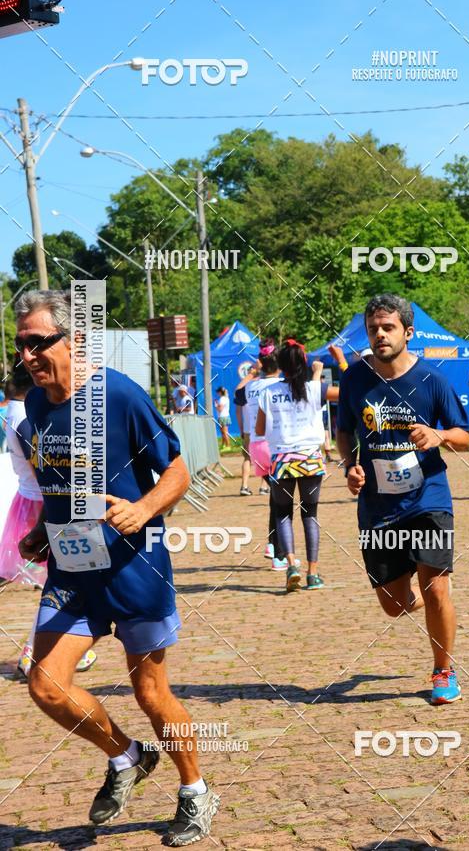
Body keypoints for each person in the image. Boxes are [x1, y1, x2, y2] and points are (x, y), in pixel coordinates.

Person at [15, 290, 219, 845]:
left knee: (150, 693)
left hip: (134, 567)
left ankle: (196, 791)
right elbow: (60, 483)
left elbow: (179, 467)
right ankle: (126, 755)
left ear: (73, 339)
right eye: (19, 346)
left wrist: (146, 507)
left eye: (37, 343)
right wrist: (40, 533)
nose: (27, 357)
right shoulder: (34, 407)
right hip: (70, 569)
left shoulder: (119, 394)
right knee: (45, 685)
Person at [336, 294, 469, 704]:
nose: (379, 335)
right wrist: (350, 465)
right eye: (373, 328)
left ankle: (443, 670)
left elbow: (465, 436)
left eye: (388, 327)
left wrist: (439, 436)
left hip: (428, 496)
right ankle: (424, 610)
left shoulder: (432, 380)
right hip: (378, 505)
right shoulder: (355, 379)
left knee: (436, 588)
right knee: (394, 605)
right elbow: (344, 432)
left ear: (407, 333)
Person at [0, 363, 98, 677]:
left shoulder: (12, 413)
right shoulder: (26, 416)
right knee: (70, 578)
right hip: (46, 504)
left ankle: (68, 645)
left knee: (69, 579)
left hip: (32, 500)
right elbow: (45, 464)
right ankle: (36, 651)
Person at [255, 338, 340, 592]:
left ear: (280, 366)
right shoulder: (316, 389)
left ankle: (291, 564)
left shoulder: (268, 392)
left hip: (281, 461)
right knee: (310, 514)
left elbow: (259, 429)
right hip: (310, 461)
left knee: (282, 514)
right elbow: (351, 392)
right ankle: (313, 573)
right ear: (303, 362)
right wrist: (341, 362)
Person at [235, 342, 287, 569]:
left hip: (257, 448)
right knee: (282, 503)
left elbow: (238, 392)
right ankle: (279, 553)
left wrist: (252, 373)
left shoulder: (252, 387)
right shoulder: (283, 385)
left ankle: (271, 544)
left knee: (276, 498)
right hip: (275, 445)